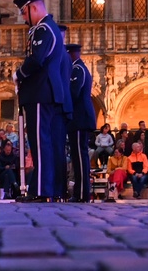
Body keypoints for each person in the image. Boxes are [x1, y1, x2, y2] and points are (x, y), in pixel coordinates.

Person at [13, 0, 72, 203]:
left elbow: (37, 60)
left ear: (33, 8)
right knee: (42, 142)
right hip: (43, 92)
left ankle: (41, 189)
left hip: (40, 91)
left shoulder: (43, 29)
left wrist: (19, 74)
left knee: (40, 142)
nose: (23, 17)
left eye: (24, 12)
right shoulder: (47, 28)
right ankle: (42, 187)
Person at [67, 43, 95, 202]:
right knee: (78, 158)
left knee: (80, 156)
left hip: (80, 117)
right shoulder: (78, 68)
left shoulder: (77, 69)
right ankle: (79, 192)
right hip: (79, 118)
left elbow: (74, 92)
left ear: (72, 54)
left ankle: (83, 193)